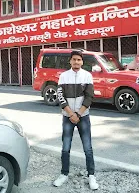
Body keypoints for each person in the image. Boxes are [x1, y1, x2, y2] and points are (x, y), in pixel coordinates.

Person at [54, 50, 99, 190]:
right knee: (65, 147)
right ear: (70, 61)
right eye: (74, 59)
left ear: (82, 62)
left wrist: (78, 114)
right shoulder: (63, 76)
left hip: (83, 116)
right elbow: (60, 96)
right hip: (67, 117)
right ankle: (64, 174)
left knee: (88, 148)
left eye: (79, 60)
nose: (76, 62)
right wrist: (70, 113)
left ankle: (91, 175)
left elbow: (89, 97)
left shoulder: (87, 76)